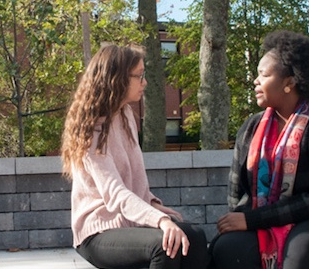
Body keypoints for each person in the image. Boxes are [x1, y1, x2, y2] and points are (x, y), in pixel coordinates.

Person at [209, 30, 309, 269]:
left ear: (289, 82)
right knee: (228, 250)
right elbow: (236, 193)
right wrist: (241, 220)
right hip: (256, 220)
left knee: (301, 253)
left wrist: (252, 219)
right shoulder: (250, 128)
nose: (256, 81)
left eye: (264, 74)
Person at [63, 45, 209, 269]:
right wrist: (159, 221)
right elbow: (116, 194)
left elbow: (137, 186)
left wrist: (159, 211)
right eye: (139, 76)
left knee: (195, 237)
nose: (145, 82)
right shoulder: (91, 129)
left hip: (129, 222)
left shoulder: (125, 116)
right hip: (98, 231)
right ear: (117, 78)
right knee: (164, 245)